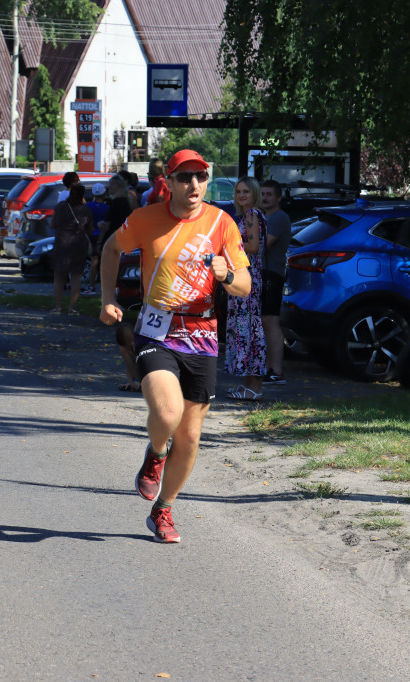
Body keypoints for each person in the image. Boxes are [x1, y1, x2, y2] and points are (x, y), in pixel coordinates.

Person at [99, 149, 250, 543]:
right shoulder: (147, 219)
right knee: (168, 413)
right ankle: (155, 453)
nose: (194, 185)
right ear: (168, 181)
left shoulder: (222, 223)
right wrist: (107, 299)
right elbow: (111, 250)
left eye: (201, 177)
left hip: (202, 335)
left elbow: (244, 287)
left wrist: (227, 273)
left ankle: (163, 509)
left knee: (191, 435)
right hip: (156, 329)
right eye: (185, 177)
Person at [225, 176, 268, 400]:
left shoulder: (252, 214)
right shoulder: (249, 215)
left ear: (254, 194)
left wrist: (229, 247)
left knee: (250, 329)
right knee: (245, 328)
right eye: (239, 191)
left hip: (248, 276)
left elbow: (252, 247)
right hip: (246, 274)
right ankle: (247, 385)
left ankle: (255, 387)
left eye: (246, 192)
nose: (242, 195)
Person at [259, 179, 292, 385]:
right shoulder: (264, 216)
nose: (264, 198)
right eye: (262, 194)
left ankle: (276, 371)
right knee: (265, 322)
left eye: (269, 194)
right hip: (264, 274)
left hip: (272, 274)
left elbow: (262, 245)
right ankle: (269, 368)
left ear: (279, 197)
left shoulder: (279, 218)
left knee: (271, 322)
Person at [50, 184, 92, 315]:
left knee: (58, 276)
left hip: (62, 242)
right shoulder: (85, 210)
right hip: (78, 244)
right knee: (76, 277)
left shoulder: (61, 206)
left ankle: (58, 307)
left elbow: (53, 224)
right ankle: (72, 308)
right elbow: (90, 229)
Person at [115, 322, 141, 392]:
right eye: (127, 347)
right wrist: (131, 382)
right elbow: (129, 367)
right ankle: (135, 382)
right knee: (123, 350)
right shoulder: (123, 348)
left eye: (130, 347)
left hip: (151, 374)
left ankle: (141, 383)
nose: (130, 350)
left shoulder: (142, 344)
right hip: (138, 376)